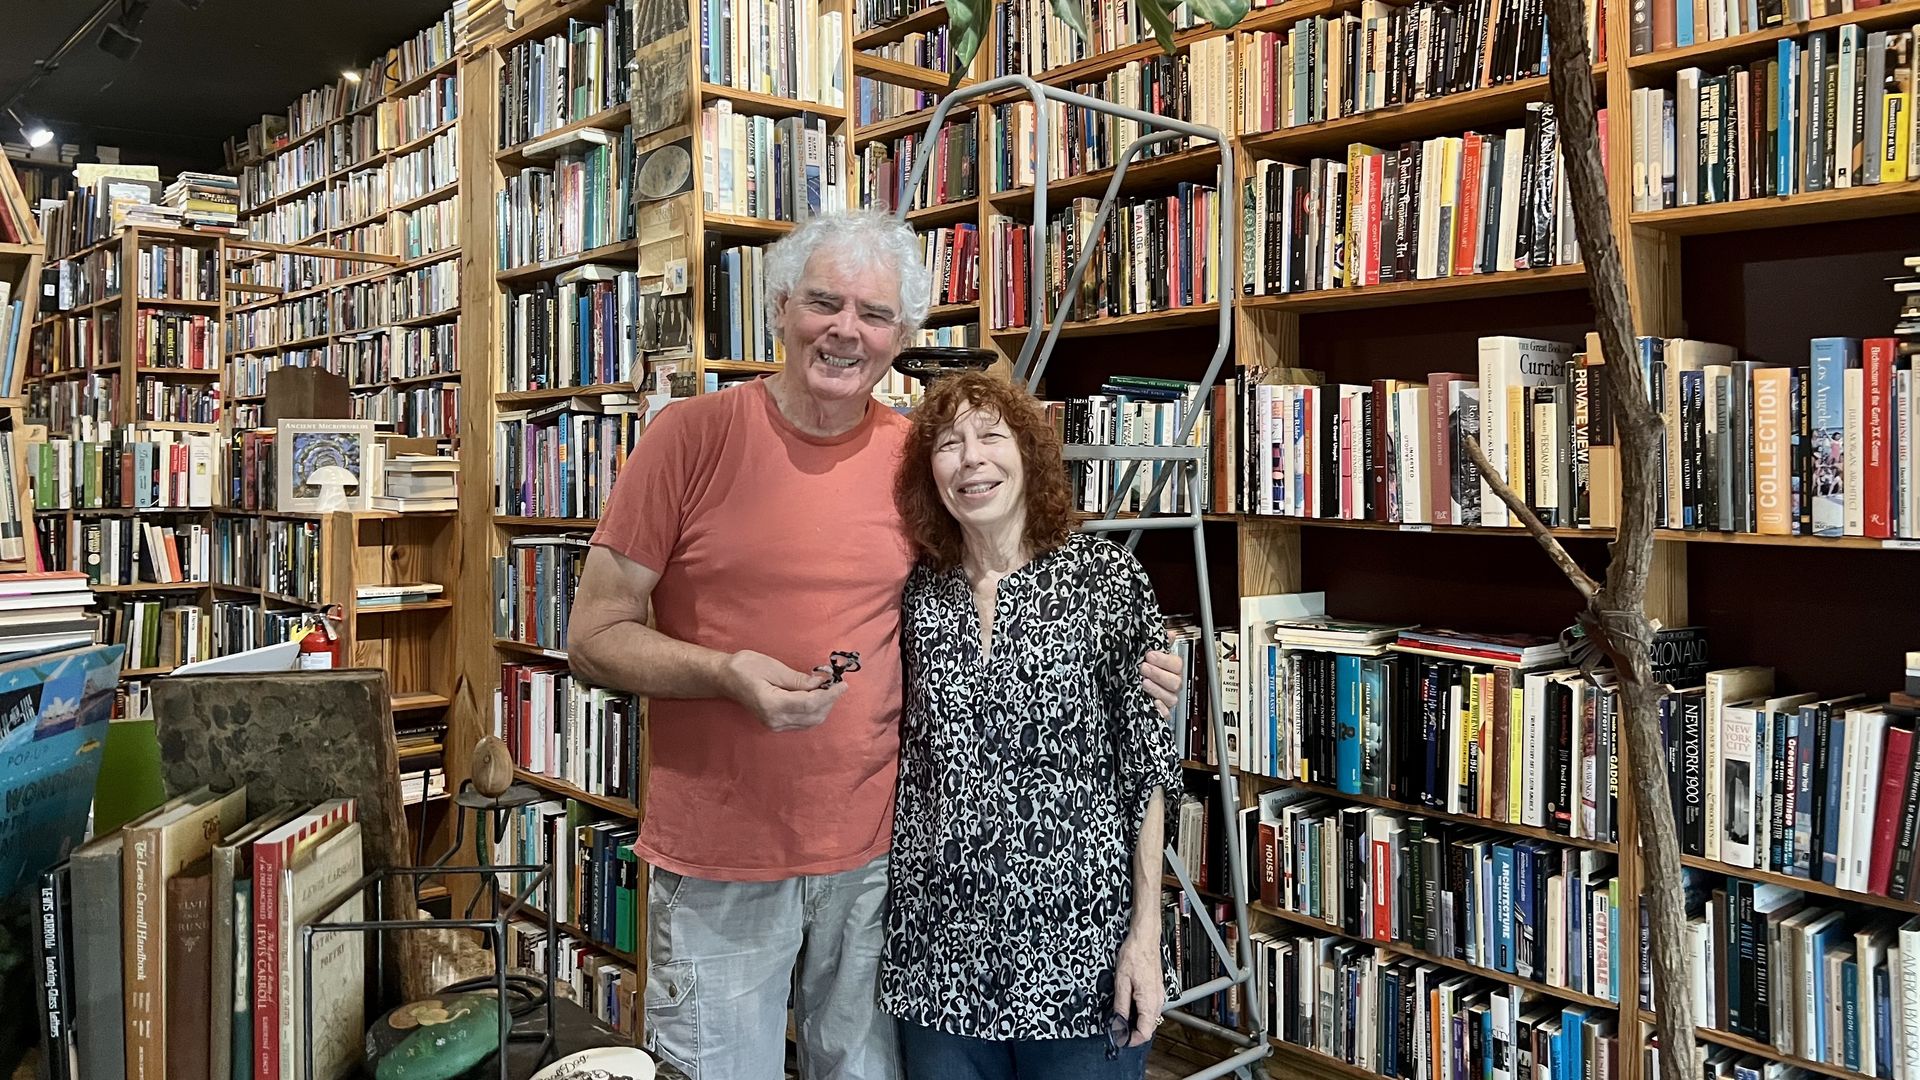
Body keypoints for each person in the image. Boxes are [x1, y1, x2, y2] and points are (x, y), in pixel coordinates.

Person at [565, 209, 1184, 1080]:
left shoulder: (914, 462)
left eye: (875, 314)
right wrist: (723, 673)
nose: (846, 331)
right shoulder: (687, 438)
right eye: (825, 302)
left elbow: (1010, 582)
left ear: (902, 336)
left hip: (877, 867)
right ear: (782, 307)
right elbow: (591, 637)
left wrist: (1140, 667)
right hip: (720, 858)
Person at [880, 371, 1179, 1080]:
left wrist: (1146, 936)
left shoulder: (1105, 579)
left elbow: (1147, 771)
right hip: (938, 962)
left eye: (991, 436)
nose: (972, 458)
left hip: (1079, 961)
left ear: (1030, 454)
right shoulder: (919, 594)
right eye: (949, 444)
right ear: (931, 474)